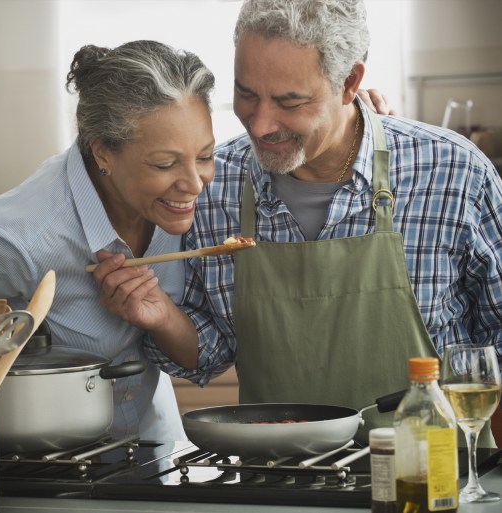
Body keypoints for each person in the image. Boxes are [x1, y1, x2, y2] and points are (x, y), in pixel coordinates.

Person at [94, 0, 502, 443]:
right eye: (246, 93)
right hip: (278, 481)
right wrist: (161, 316)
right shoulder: (213, 186)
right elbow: (210, 354)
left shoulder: (453, 172)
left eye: (290, 101)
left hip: (432, 482)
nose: (261, 123)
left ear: (349, 83)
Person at [0, 40, 217, 443]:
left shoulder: (180, 208)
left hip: (155, 443)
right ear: (103, 154)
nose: (194, 183)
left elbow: (199, 358)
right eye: (165, 164)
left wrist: (162, 315)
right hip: (42, 460)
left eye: (204, 156)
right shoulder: (20, 238)